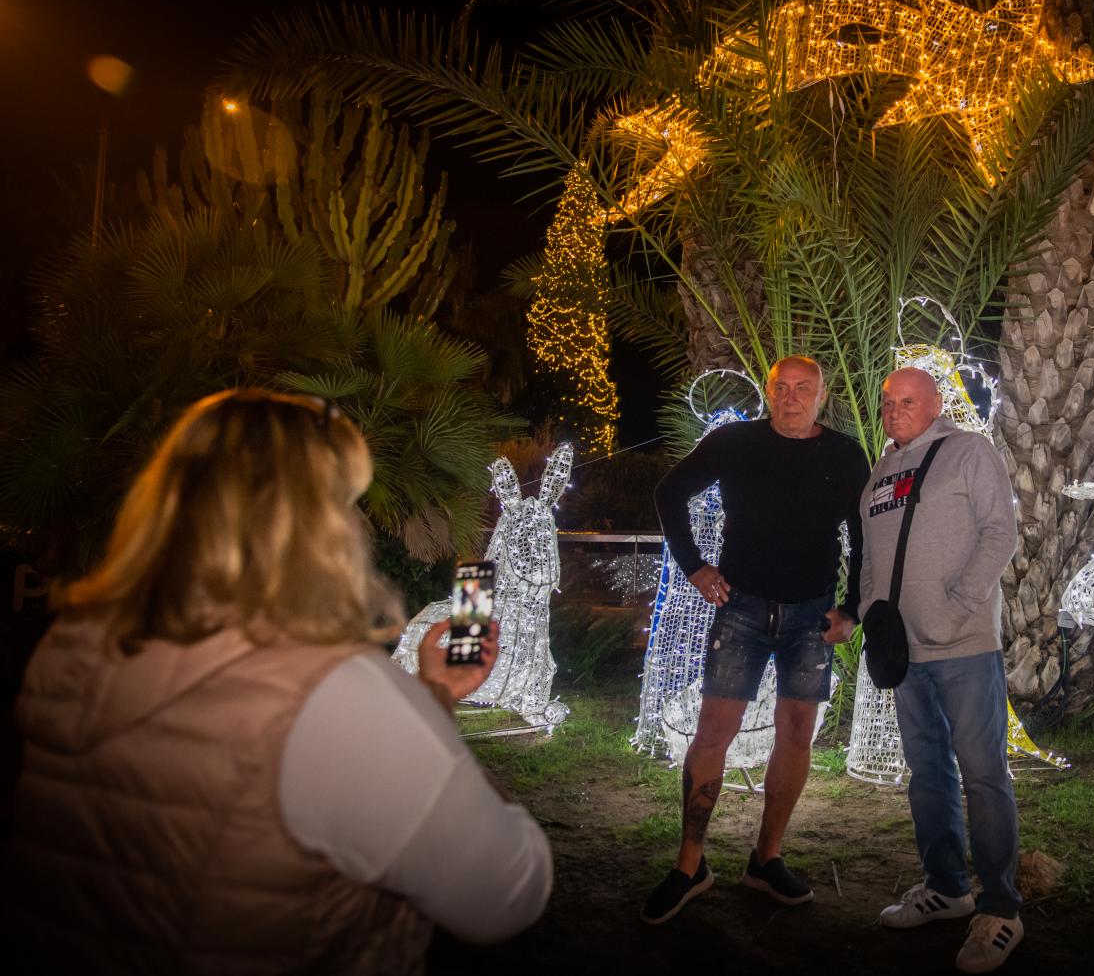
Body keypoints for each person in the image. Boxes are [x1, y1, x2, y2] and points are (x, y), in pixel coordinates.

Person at [5, 389, 552, 974]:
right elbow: (507, 892)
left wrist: (433, 692)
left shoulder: (71, 648)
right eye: (343, 504)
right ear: (312, 527)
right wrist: (433, 729)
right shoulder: (330, 691)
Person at [643, 356, 869, 924]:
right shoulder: (734, 442)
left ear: (822, 396)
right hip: (740, 608)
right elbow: (669, 493)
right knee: (714, 731)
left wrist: (853, 609)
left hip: (811, 615)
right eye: (781, 388)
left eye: (803, 389)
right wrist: (694, 565)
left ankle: (766, 859)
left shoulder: (844, 456)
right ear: (769, 392)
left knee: (797, 734)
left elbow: (866, 536)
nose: (791, 398)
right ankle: (690, 864)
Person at [861, 368, 1023, 973]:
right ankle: (948, 888)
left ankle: (1002, 908)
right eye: (887, 403)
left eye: (906, 401)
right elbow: (874, 557)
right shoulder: (881, 472)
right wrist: (871, 614)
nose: (894, 411)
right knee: (926, 770)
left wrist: (959, 604)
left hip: (964, 647)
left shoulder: (968, 452)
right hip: (905, 654)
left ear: (934, 405)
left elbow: (999, 532)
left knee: (983, 775)